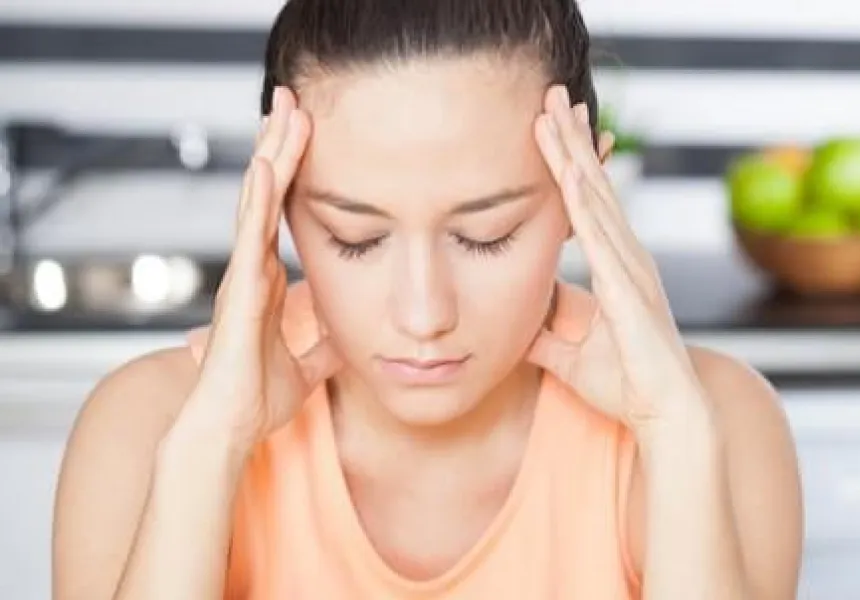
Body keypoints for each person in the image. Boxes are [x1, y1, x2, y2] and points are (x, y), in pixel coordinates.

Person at [50, 0, 804, 598]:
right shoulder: (149, 427)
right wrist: (208, 449)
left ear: (588, 195)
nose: (422, 314)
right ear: (275, 204)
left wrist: (673, 435)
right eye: (355, 238)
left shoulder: (712, 423)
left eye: (485, 235)